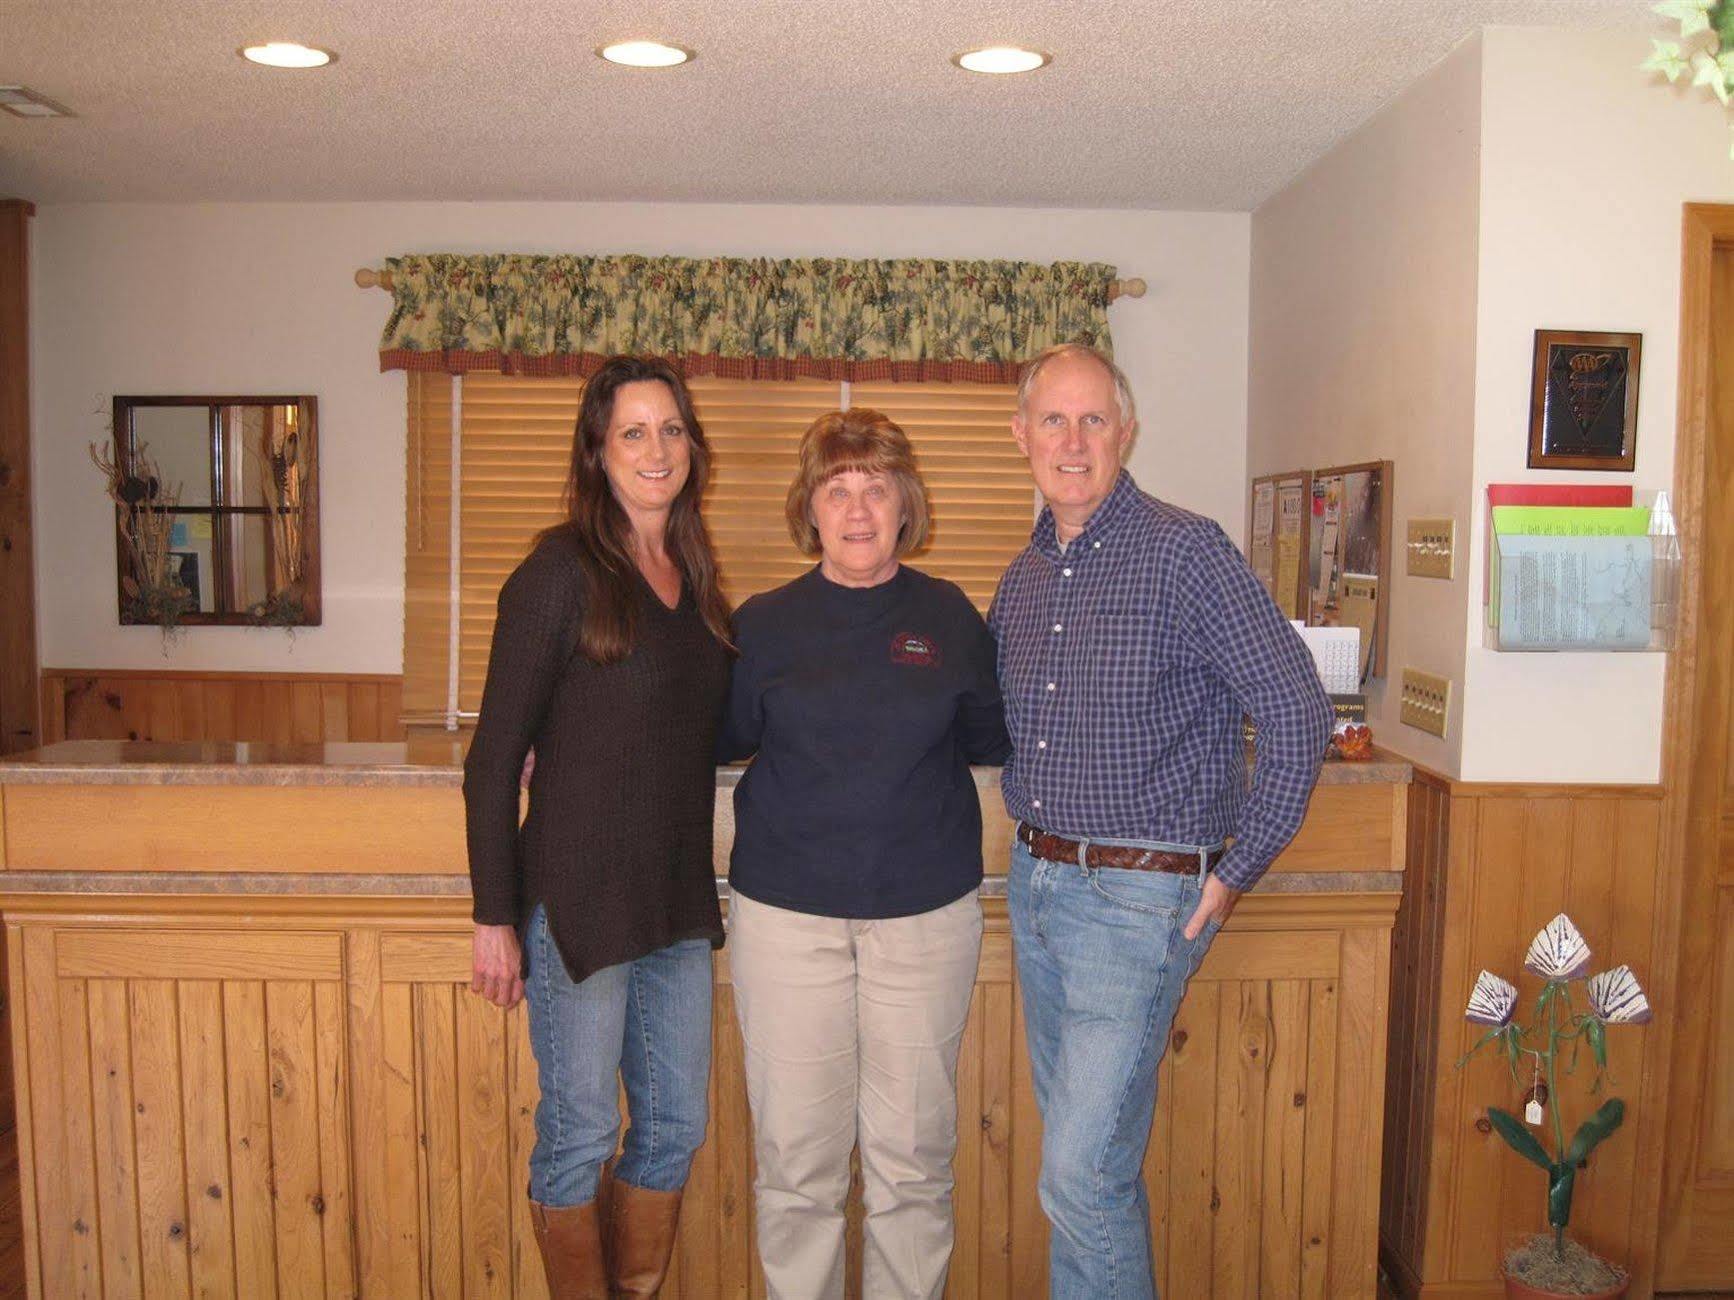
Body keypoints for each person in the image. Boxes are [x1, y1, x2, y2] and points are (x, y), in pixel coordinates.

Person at [989, 343, 1332, 1299]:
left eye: (1093, 419)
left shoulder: (1186, 551)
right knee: (1087, 1170)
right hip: (1038, 887)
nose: (1072, 440)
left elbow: (1298, 710)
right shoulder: (1022, 579)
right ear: (1021, 437)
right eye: (1052, 420)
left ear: (1126, 432)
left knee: (1076, 1174)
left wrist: (1235, 871)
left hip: (1140, 902)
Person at [720, 408, 1011, 1300]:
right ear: (809, 507)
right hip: (784, 925)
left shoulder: (949, 615)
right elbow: (718, 739)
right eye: (836, 489)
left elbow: (986, 741)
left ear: (904, 503)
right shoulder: (762, 624)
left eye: (875, 488)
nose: (856, 509)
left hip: (923, 923)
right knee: (796, 1167)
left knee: (912, 1166)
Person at [464, 355, 734, 1300]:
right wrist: (493, 916)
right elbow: (492, 759)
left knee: (674, 1128)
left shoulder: (693, 574)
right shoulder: (558, 572)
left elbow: (700, 727)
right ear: (597, 452)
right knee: (580, 1133)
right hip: (577, 905)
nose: (656, 450)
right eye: (633, 432)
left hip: (675, 906)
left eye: (670, 430)